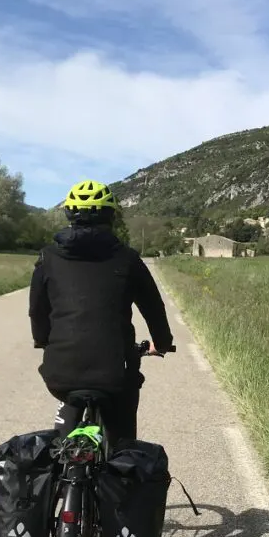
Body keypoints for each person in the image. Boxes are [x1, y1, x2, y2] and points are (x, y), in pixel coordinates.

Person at [29, 179, 174, 445]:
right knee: (122, 439)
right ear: (110, 216)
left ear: (69, 214)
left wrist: (42, 339)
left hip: (60, 372)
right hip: (115, 372)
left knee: (65, 421)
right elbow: (154, 308)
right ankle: (121, 456)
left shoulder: (47, 257)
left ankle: (62, 461)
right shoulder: (127, 258)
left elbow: (37, 310)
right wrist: (162, 343)